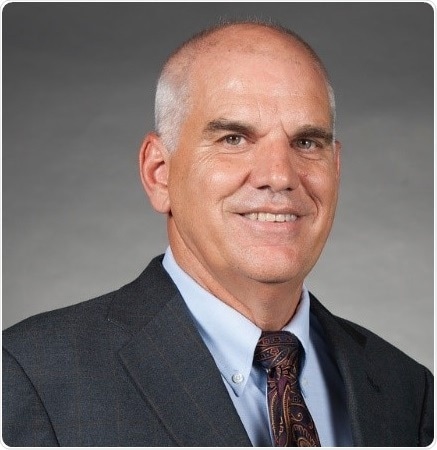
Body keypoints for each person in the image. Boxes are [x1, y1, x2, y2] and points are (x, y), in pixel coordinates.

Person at [2, 20, 433, 447]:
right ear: (159, 173)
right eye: (234, 139)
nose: (280, 176)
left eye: (306, 143)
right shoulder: (32, 376)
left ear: (335, 171)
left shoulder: (407, 389)